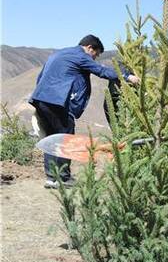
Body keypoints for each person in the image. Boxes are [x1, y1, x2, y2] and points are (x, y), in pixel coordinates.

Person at [30, 35, 140, 188]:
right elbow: (101, 71)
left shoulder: (58, 53)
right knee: (65, 137)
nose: (94, 59)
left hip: (40, 98)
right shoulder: (81, 56)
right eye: (96, 54)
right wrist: (127, 76)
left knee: (52, 137)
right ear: (90, 48)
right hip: (58, 102)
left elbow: (41, 77)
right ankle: (63, 178)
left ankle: (51, 178)